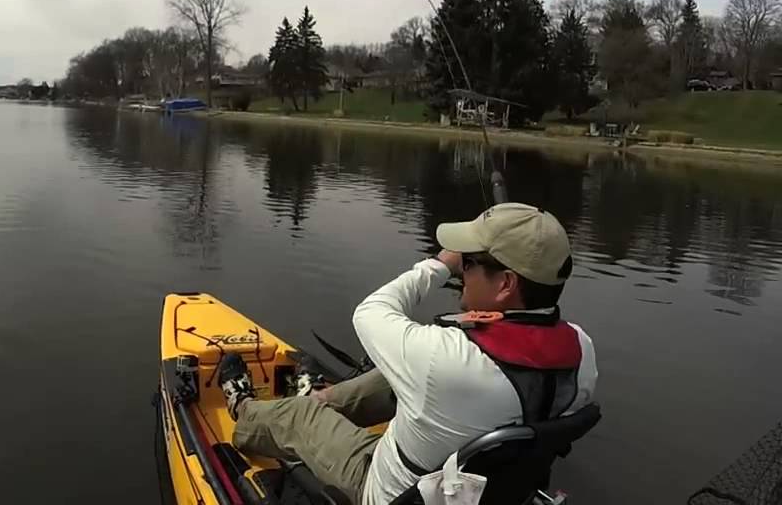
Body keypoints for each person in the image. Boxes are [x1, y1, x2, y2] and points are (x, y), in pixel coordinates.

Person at [217, 202, 599, 504]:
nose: (460, 270)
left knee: (301, 417)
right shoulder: (582, 351)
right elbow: (485, 366)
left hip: (390, 493)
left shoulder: (446, 360)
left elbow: (369, 312)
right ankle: (323, 399)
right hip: (481, 484)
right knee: (395, 375)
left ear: (505, 284)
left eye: (467, 262)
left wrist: (436, 264)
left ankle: (245, 412)